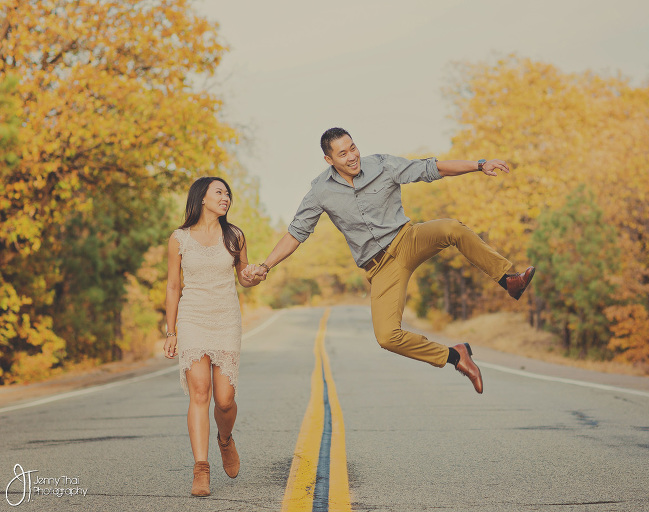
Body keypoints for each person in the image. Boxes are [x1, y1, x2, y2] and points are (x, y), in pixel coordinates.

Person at [243, 127, 534, 394]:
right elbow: (296, 232)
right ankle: (457, 356)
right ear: (329, 159)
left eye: (353, 147)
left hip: (407, 239)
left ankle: (509, 280)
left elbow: (431, 168)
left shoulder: (382, 164)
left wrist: (480, 165)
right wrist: (266, 265)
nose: (352, 156)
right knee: (386, 336)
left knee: (452, 229)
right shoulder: (321, 190)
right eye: (342, 153)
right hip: (379, 265)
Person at [164, 177, 264, 497]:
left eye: (227, 193)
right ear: (202, 198)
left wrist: (253, 276)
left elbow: (244, 277)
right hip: (192, 317)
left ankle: (225, 439)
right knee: (200, 392)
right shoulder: (179, 239)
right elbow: (172, 287)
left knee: (224, 400)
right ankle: (201, 469)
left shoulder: (234, 236)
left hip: (225, 319)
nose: (226, 197)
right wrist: (171, 331)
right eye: (219, 192)